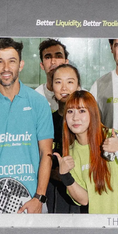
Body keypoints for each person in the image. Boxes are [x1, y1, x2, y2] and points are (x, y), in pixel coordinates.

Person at [0, 39, 54, 213]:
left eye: (12, 61)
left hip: (32, 201)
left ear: (21, 65)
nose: (6, 68)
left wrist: (39, 197)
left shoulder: (39, 103)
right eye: (0, 62)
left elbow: (46, 154)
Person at [56, 90, 118, 214]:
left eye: (82, 111)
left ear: (92, 113)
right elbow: (84, 200)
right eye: (70, 111)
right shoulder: (71, 153)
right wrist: (64, 175)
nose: (75, 118)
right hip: (98, 222)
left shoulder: (113, 137)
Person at [46, 64, 85, 214]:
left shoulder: (86, 121)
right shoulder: (47, 121)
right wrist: (52, 173)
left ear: (78, 86)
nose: (64, 88)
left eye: (70, 82)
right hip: (53, 192)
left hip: (82, 193)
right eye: (58, 82)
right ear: (51, 86)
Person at [32, 39, 69, 112]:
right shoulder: (35, 97)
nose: (53, 62)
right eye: (48, 57)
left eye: (58, 56)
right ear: (42, 65)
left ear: (66, 63)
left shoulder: (80, 95)